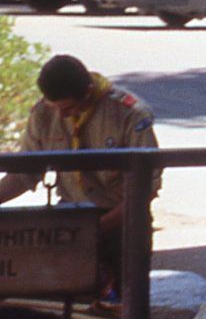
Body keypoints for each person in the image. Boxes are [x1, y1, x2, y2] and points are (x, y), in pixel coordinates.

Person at [0, 55, 160, 293]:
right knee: (63, 299)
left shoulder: (129, 114)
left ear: (88, 92)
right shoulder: (44, 113)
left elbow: (143, 191)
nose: (61, 116)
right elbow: (24, 174)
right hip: (70, 220)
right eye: (54, 107)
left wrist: (95, 229)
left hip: (121, 222)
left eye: (68, 108)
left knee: (126, 302)